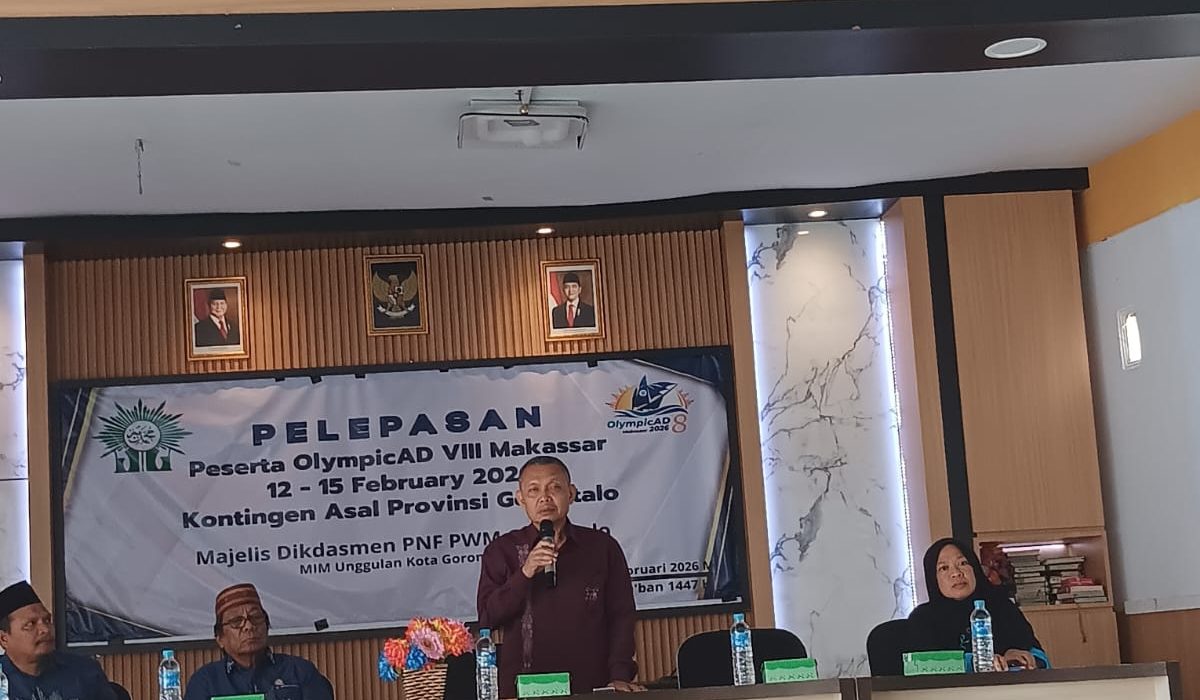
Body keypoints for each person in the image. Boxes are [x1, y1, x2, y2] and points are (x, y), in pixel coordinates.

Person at [477, 456, 642, 696]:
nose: (545, 497)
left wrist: (619, 675)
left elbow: (621, 616)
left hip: (590, 685)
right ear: (520, 499)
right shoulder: (502, 551)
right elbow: (487, 618)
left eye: (554, 487)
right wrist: (525, 572)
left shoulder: (602, 547)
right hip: (523, 688)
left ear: (571, 493)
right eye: (534, 490)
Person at [907, 538, 1039, 670]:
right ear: (933, 578)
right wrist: (975, 662)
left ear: (975, 568)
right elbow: (919, 666)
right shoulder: (923, 618)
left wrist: (1022, 658)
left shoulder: (1002, 606)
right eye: (944, 568)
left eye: (963, 563)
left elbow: (1041, 658)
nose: (956, 573)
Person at [184, 583, 334, 700]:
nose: (249, 626)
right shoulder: (206, 681)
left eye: (255, 618)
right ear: (220, 638)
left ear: (267, 626)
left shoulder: (299, 671)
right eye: (236, 621)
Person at [0, 581, 119, 700]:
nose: (45, 629)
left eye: (47, 620)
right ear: (3, 639)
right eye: (30, 624)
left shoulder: (85, 672)